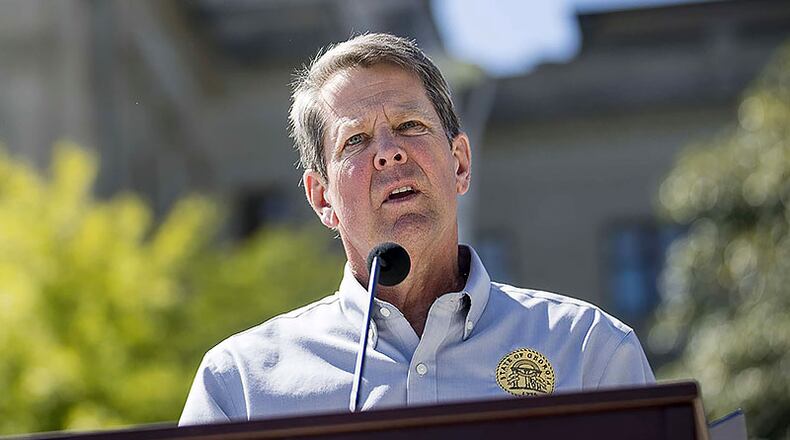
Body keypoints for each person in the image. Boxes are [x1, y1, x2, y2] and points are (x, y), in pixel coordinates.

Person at [179, 33, 654, 426]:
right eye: (357, 140)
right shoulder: (240, 385)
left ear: (461, 163)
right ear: (323, 198)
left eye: (409, 125)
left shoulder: (588, 351)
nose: (389, 152)